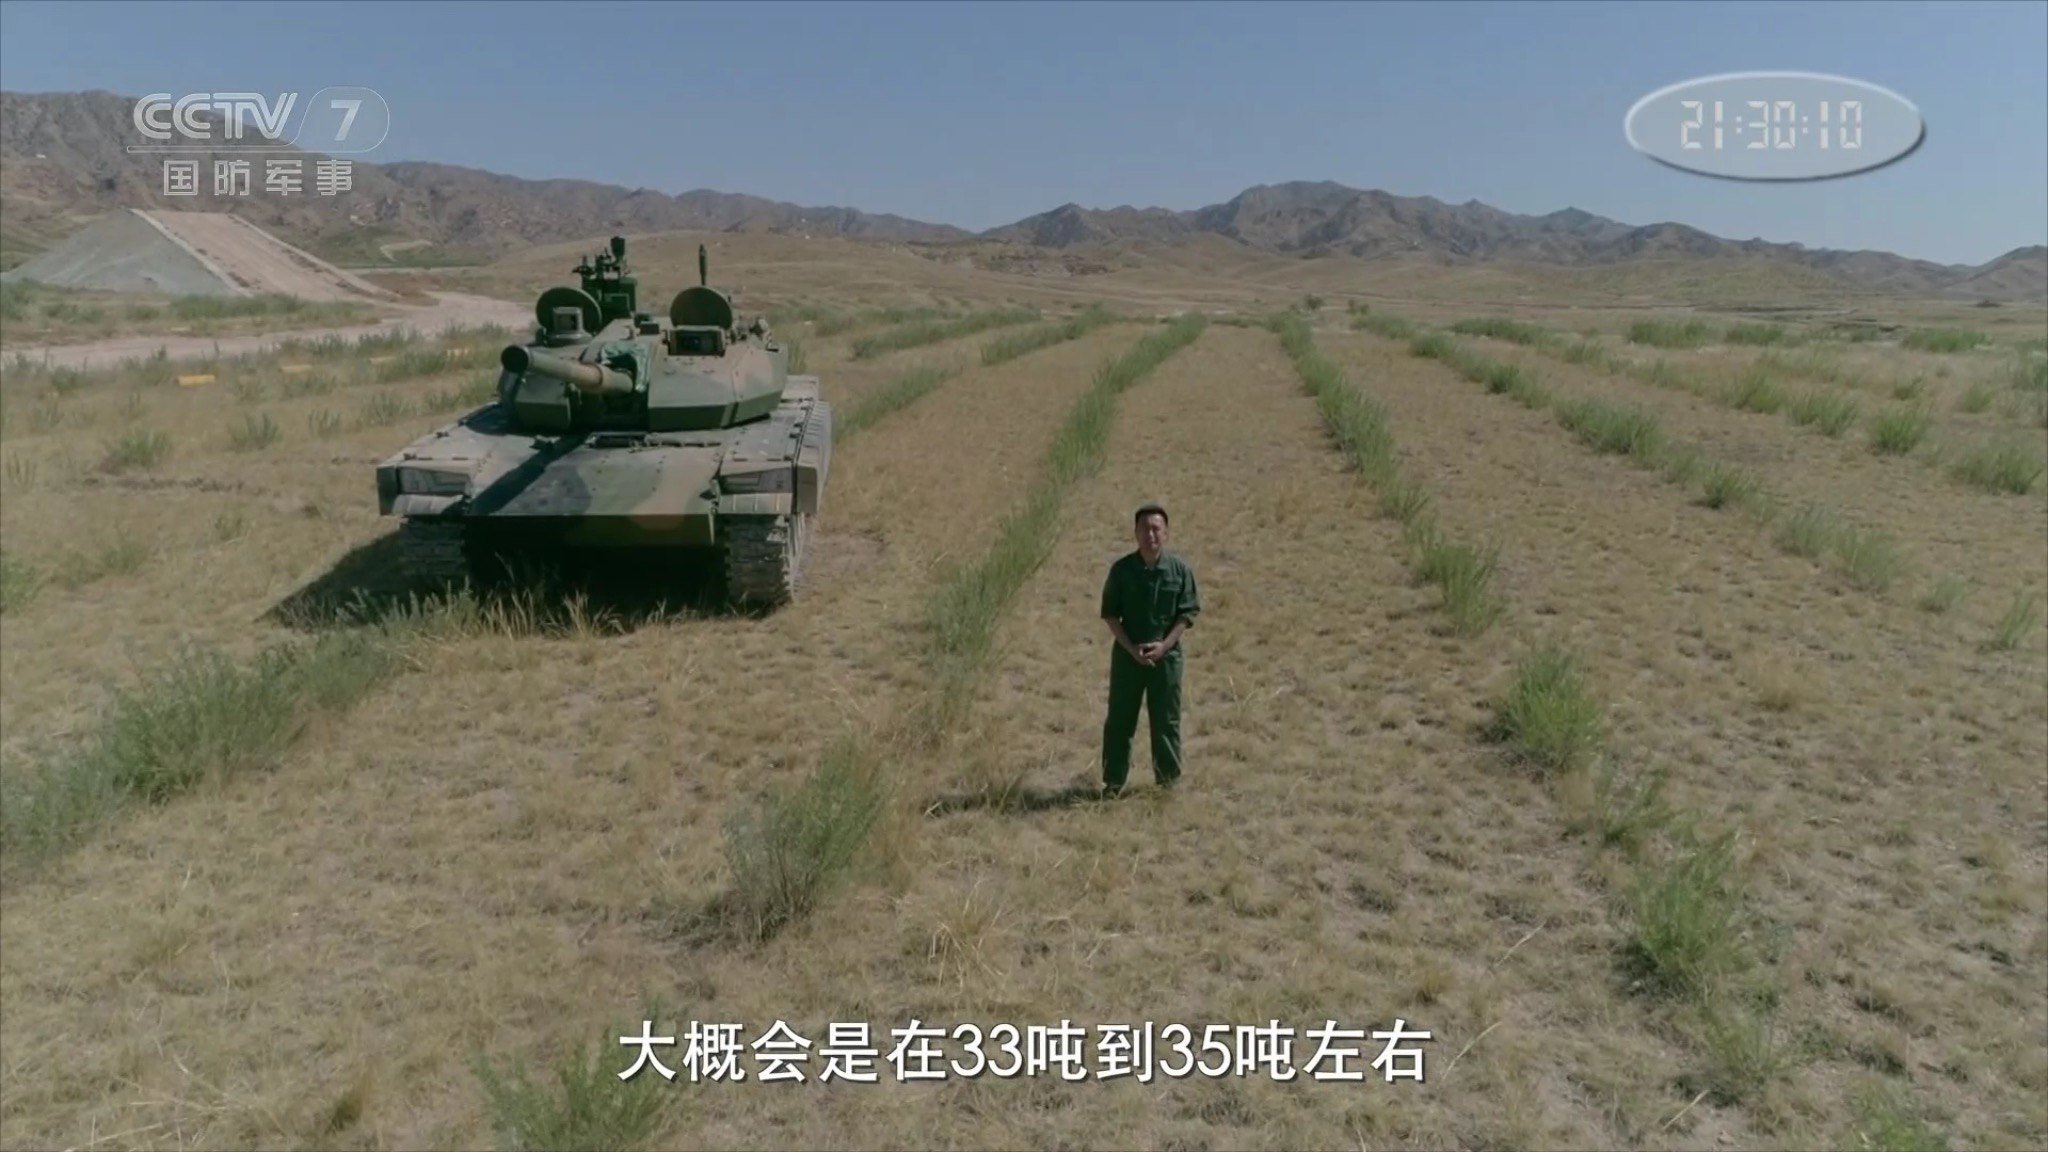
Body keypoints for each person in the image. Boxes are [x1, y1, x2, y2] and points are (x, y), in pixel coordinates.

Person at [1099, 502, 1201, 797]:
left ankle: (1167, 783)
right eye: (1144, 528)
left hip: (1166, 660)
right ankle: (1113, 783)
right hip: (1127, 658)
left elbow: (1187, 614)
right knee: (1120, 720)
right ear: (1135, 533)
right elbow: (1110, 615)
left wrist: (1164, 646)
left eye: (1156, 529)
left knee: (1166, 720)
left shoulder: (1179, 570)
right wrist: (1131, 649)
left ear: (1166, 533)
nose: (1150, 535)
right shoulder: (1122, 570)